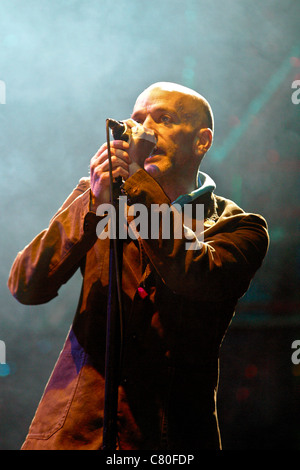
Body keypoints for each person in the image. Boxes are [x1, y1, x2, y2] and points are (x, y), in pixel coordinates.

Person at [8, 82, 269, 450]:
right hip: (74, 436)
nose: (145, 131)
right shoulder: (101, 199)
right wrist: (92, 206)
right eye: (137, 120)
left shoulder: (238, 226)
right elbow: (26, 285)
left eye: (164, 119)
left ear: (202, 140)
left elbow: (196, 276)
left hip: (169, 440)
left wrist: (136, 185)